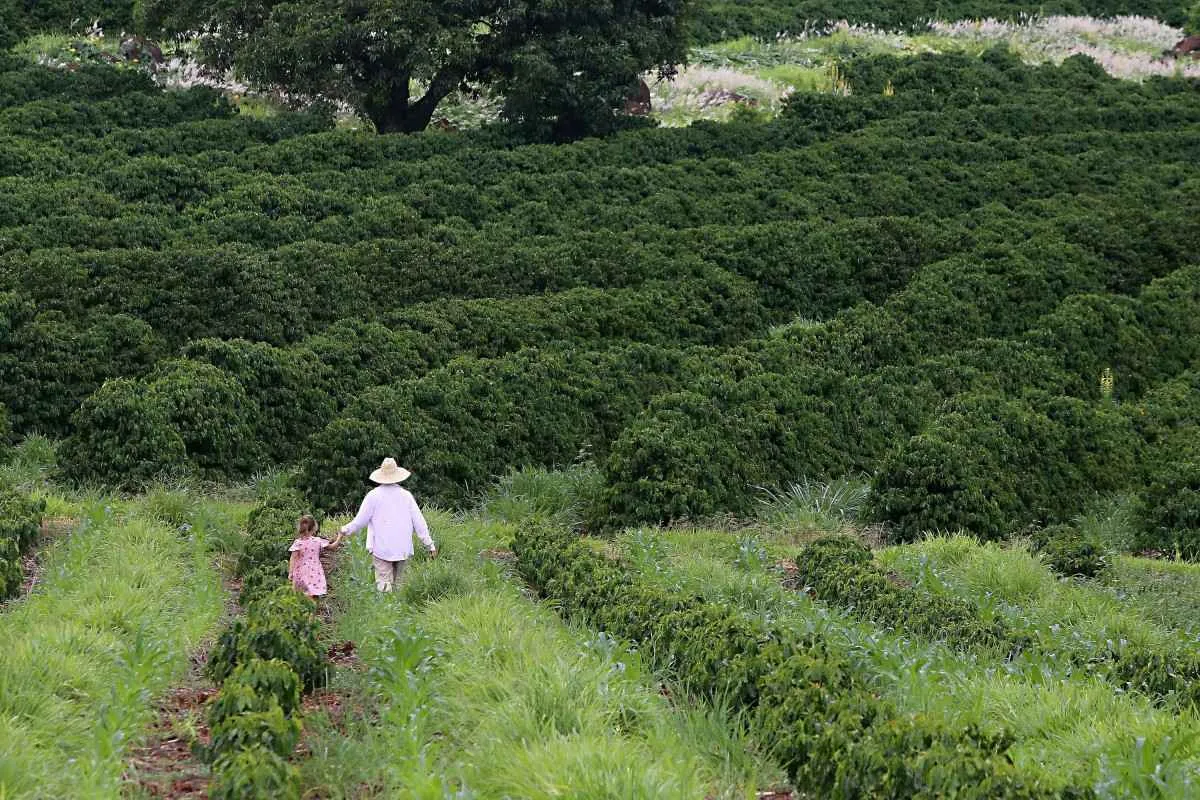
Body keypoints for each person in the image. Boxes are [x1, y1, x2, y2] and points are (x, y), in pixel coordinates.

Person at [339, 457, 437, 592]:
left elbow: (360, 521)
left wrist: (345, 530)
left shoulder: (373, 496)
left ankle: (386, 604)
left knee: (384, 587)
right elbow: (419, 522)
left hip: (382, 548)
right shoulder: (406, 496)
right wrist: (429, 544)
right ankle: (401, 605)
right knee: (401, 588)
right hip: (403, 548)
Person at [288, 514, 343, 598]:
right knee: (313, 595)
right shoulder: (318, 541)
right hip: (315, 572)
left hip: (301, 572)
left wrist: (291, 572)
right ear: (314, 527)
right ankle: (311, 606)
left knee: (301, 596)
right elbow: (332, 547)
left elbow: (293, 558)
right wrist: (339, 537)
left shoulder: (298, 542)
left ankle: (305, 606)